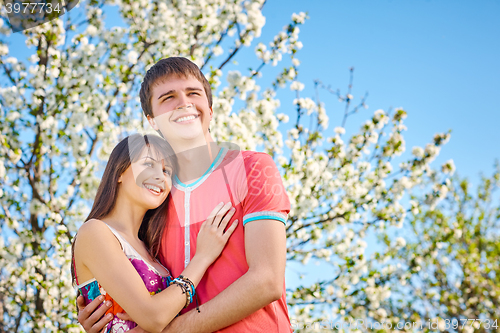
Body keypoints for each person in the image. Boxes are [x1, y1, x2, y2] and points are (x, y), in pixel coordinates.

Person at [77, 57, 292, 333]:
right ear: (152, 120)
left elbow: (267, 281)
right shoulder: (154, 198)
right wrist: (103, 307)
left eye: (193, 93)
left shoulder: (253, 169)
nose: (183, 102)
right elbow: (135, 279)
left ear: (210, 109)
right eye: (168, 97)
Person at [72, 133, 238, 333]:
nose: (160, 176)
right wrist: (202, 257)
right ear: (119, 172)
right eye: (148, 164)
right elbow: (154, 317)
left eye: (167, 171)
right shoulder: (95, 232)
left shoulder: (152, 249)